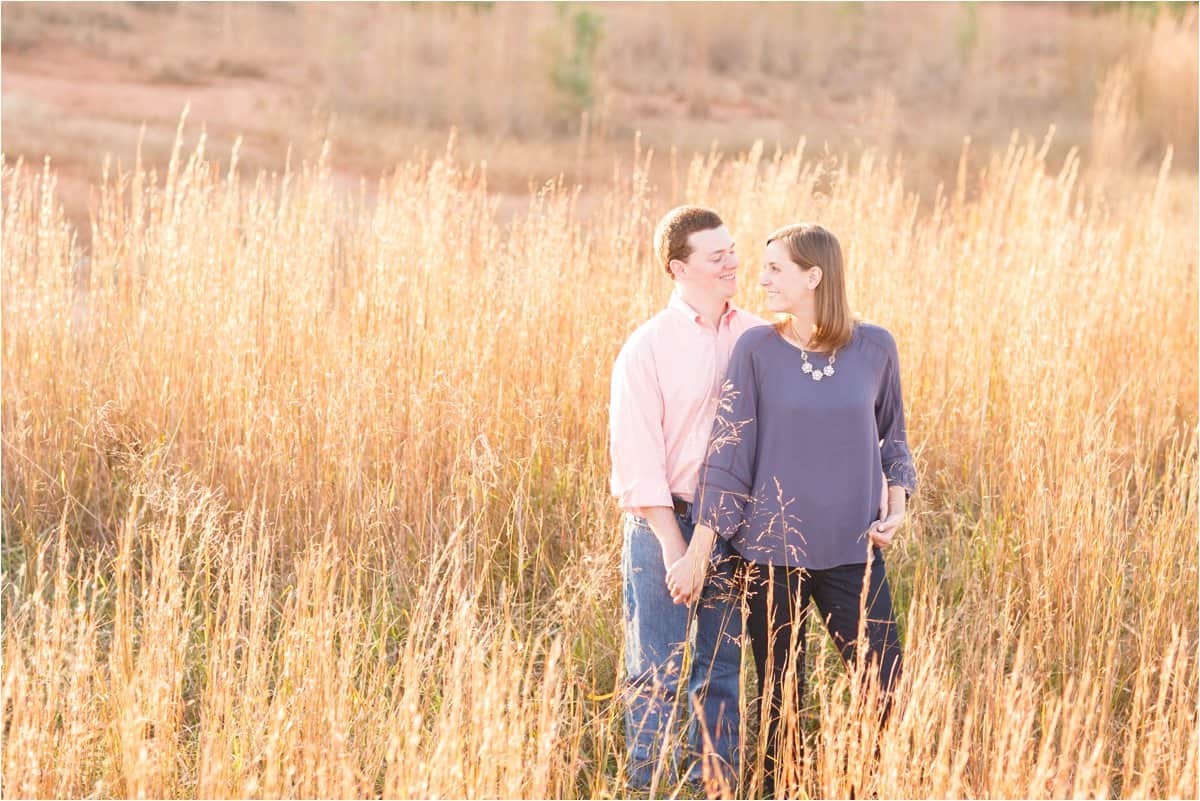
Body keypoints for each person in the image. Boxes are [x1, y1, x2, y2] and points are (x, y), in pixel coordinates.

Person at [667, 222, 916, 795]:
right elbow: (729, 452)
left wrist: (897, 506)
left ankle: (868, 786)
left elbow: (892, 437)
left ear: (814, 276)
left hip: (854, 551)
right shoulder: (756, 349)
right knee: (781, 697)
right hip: (770, 555)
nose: (760, 278)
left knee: (886, 688)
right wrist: (700, 551)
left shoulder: (875, 346)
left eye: (775, 268)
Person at [609, 205, 767, 791]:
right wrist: (678, 549)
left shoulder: (757, 336)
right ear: (679, 267)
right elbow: (637, 456)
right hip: (662, 525)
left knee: (721, 671)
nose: (733, 262)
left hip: (733, 527)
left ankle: (711, 789)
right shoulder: (647, 348)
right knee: (654, 672)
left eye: (733, 250)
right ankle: (648, 786)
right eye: (716, 255)